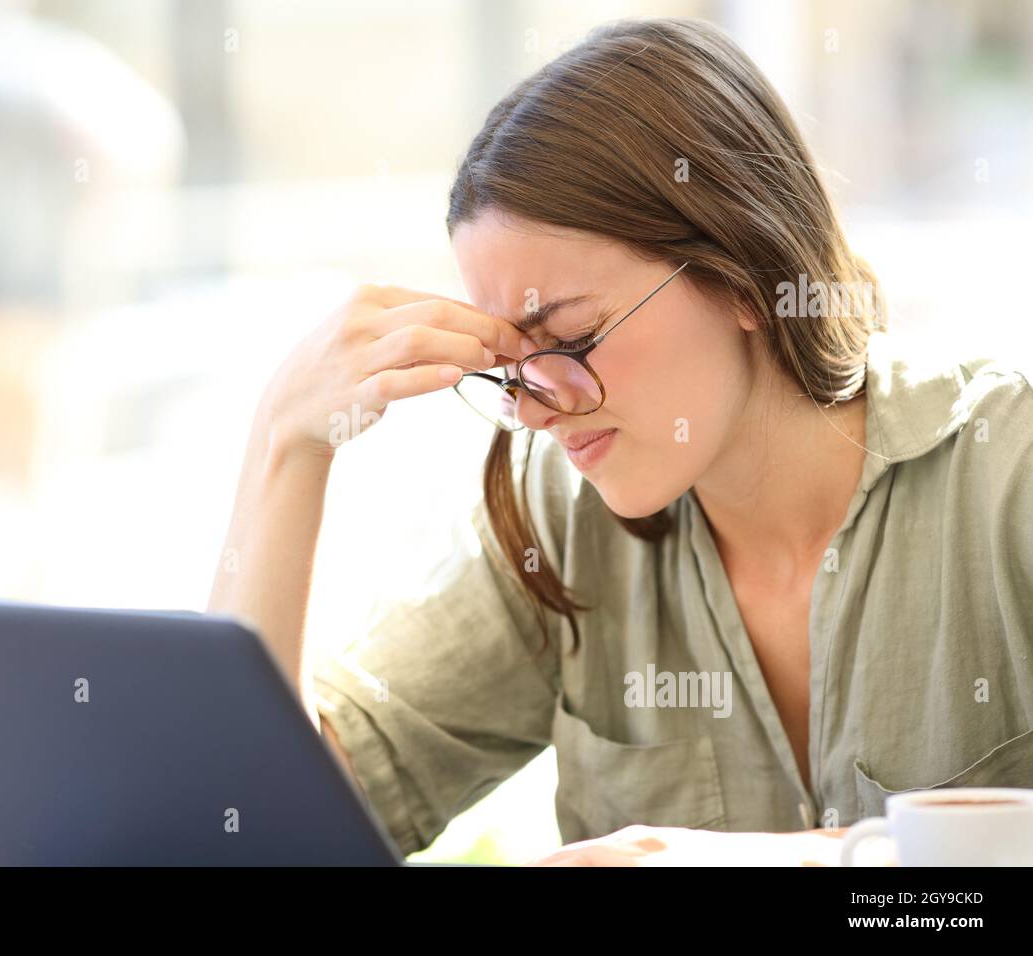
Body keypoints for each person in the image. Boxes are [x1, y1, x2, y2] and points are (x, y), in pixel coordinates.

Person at [207, 17, 1033, 865]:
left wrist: (760, 860)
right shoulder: (558, 523)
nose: (536, 411)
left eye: (570, 339)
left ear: (745, 274)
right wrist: (285, 445)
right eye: (510, 366)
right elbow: (247, 827)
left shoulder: (1008, 476)